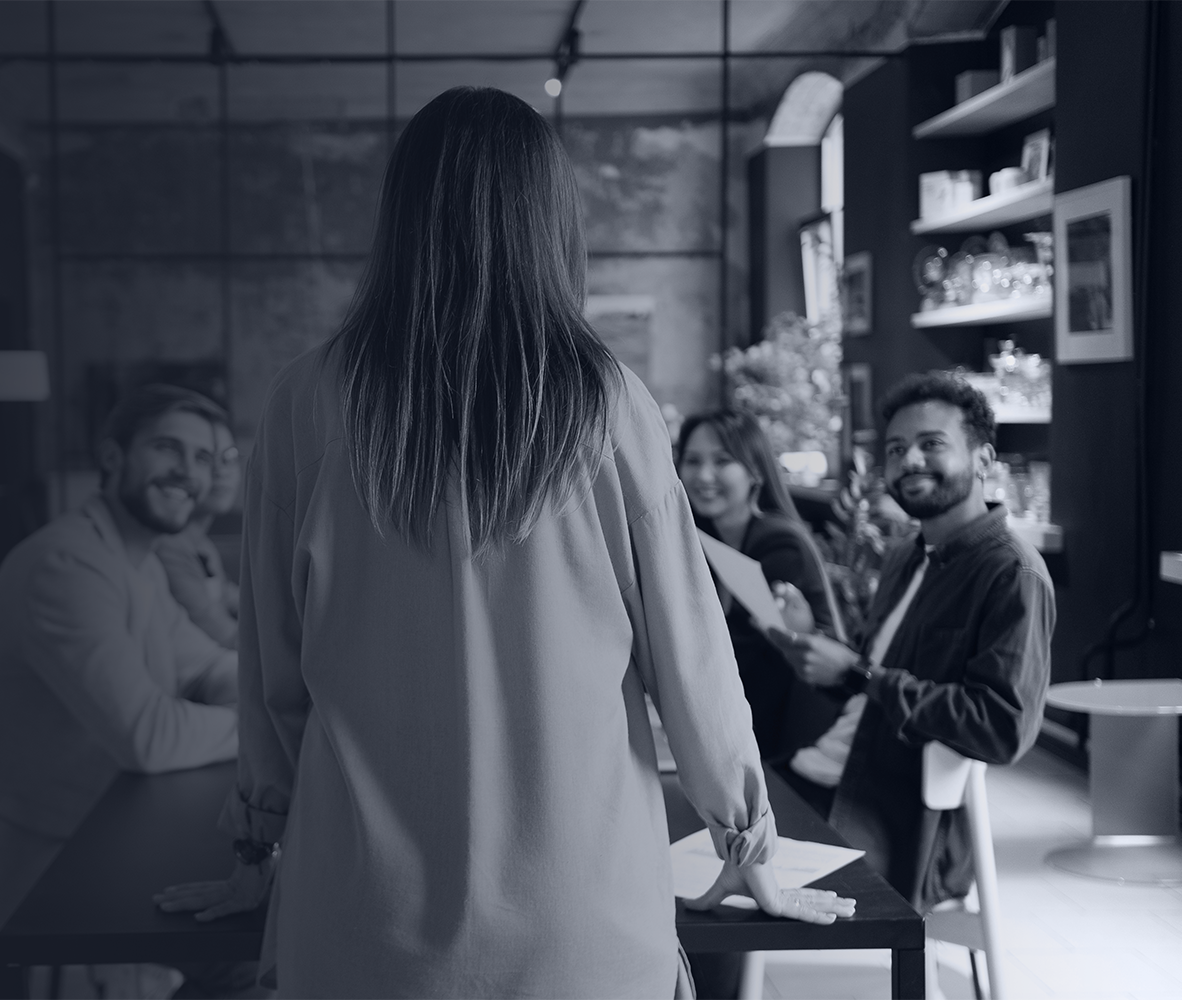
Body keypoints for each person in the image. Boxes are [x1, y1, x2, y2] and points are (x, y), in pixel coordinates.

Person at [154, 86, 853, 1000]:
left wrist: (256, 845)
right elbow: (694, 661)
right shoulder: (611, 405)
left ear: (400, 217)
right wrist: (747, 845)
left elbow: (272, 671)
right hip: (583, 930)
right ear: (551, 222)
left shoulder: (304, 403)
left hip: (360, 928)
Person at [0, 385, 241, 990]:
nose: (188, 471)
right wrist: (270, 721)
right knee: (256, 951)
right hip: (27, 873)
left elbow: (209, 666)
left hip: (83, 834)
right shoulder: (66, 565)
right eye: (167, 448)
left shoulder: (136, 559)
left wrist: (261, 693)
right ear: (113, 457)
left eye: (203, 458)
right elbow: (148, 738)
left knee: (251, 926)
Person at [767, 372, 1054, 912]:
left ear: (984, 460)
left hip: (885, 818)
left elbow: (1001, 727)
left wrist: (855, 673)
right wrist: (817, 643)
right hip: (824, 773)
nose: (910, 461)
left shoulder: (1011, 574)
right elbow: (871, 685)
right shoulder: (907, 555)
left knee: (703, 846)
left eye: (931, 445)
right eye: (897, 449)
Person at [676, 408, 846, 758]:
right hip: (750, 722)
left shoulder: (779, 542)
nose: (704, 475)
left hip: (799, 735)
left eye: (722, 461)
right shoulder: (707, 538)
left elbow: (752, 655)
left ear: (754, 471)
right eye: (692, 461)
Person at [158, 396, 243, 649]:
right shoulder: (167, 547)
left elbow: (235, 599)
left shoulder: (201, 544)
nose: (221, 472)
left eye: (230, 457)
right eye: (207, 458)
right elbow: (219, 634)